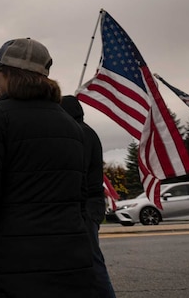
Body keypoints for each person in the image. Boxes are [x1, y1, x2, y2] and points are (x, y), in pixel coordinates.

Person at [0, 38, 94, 298]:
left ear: (11, 72)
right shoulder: (71, 125)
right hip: (70, 263)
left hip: (10, 267)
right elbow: (79, 197)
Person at [61, 95, 117, 298]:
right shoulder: (87, 132)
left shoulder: (80, 134)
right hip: (89, 207)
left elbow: (77, 173)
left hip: (84, 208)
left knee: (93, 263)